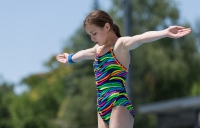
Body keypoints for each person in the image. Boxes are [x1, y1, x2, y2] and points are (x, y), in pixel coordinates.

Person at [56, 10, 191, 128]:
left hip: (118, 103)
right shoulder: (97, 50)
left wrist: (165, 32)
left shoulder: (119, 45)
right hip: (101, 107)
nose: (92, 38)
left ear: (107, 26)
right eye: (90, 35)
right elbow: (82, 54)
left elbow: (139, 39)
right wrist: (69, 58)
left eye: (94, 33)